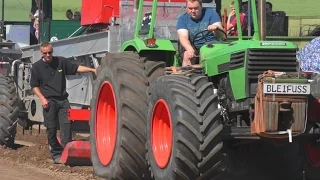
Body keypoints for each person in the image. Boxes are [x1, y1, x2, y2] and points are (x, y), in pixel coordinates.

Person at [30, 42, 96, 164]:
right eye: (45, 53)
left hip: (63, 100)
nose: (48, 55)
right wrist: (42, 98)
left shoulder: (60, 62)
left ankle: (66, 152)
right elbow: (34, 86)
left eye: (50, 52)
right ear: (42, 53)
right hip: (49, 101)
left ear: (52, 51)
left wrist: (92, 70)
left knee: (67, 126)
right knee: (51, 128)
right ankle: (55, 153)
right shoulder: (36, 67)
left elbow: (76, 68)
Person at [177, 0, 223, 67]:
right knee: (187, 55)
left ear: (201, 7)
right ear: (186, 8)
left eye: (196, 8)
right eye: (190, 8)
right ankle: (187, 75)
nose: (193, 11)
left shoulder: (211, 14)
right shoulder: (183, 19)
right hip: (195, 47)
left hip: (213, 45)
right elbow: (183, 37)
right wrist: (189, 49)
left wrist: (216, 28)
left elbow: (221, 34)